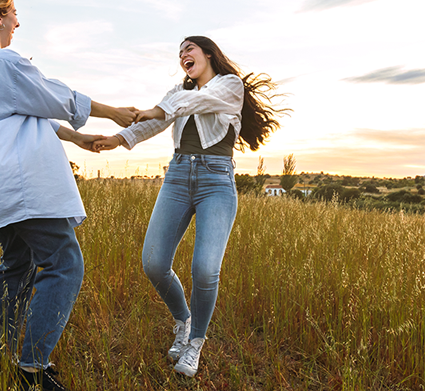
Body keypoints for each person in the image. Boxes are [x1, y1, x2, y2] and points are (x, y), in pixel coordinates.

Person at [0, 0, 138, 391]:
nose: (19, 22)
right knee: (65, 264)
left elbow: (17, 113)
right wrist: (112, 113)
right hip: (18, 185)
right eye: (15, 14)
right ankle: (33, 369)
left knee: (18, 262)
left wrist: (76, 139)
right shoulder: (3, 64)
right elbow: (53, 96)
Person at [92, 36, 284, 377]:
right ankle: (183, 321)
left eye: (189, 49)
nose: (183, 55)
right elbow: (156, 121)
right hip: (178, 177)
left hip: (217, 181)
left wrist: (158, 108)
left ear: (207, 54)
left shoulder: (229, 86)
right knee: (153, 263)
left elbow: (195, 102)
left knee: (206, 269)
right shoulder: (177, 95)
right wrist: (117, 140)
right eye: (180, 52)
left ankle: (195, 341)